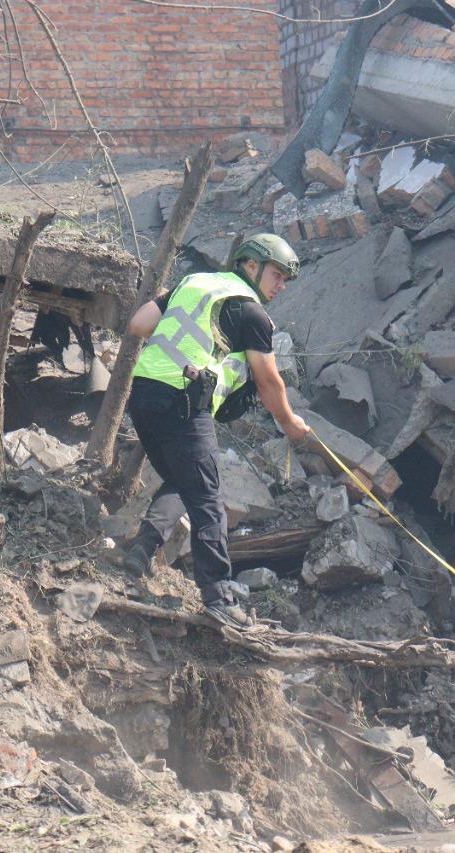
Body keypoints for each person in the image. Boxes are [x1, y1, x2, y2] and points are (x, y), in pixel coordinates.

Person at [118, 233, 310, 626]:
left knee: (180, 481)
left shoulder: (193, 283)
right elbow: (269, 381)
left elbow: (138, 324)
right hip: (184, 403)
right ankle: (219, 597)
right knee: (209, 500)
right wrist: (290, 424)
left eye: (285, 279)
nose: (281, 285)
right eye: (277, 274)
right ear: (250, 265)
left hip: (142, 394)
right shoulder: (252, 313)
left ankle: (140, 553)